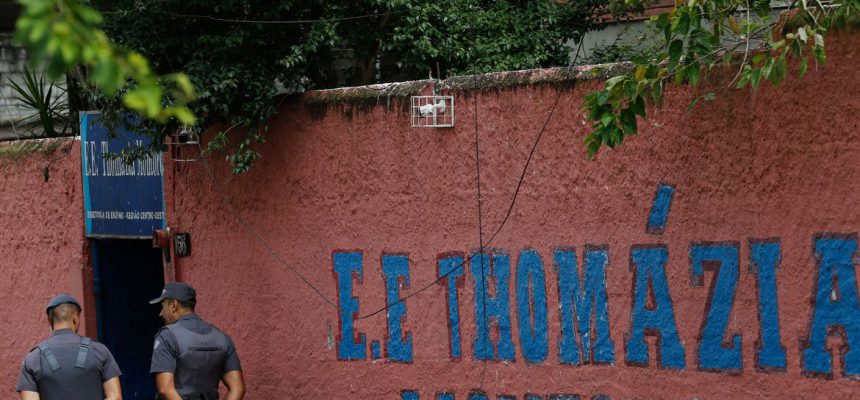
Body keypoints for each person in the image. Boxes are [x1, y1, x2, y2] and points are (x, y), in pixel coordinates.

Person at [149, 282, 245, 400]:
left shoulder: (167, 336)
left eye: (163, 306)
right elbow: (238, 388)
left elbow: (164, 390)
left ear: (174, 305)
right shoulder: (222, 337)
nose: (161, 313)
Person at [17, 294, 123, 400]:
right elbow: (115, 397)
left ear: (49, 320)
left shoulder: (33, 358)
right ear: (75, 317)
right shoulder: (100, 351)